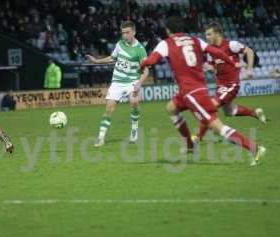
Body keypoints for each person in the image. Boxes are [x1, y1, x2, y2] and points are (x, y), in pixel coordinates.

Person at [140, 16, 265, 166]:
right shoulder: (196, 40)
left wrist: (141, 65)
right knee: (171, 108)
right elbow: (216, 52)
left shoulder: (165, 43)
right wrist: (232, 62)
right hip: (192, 89)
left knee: (216, 127)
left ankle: (255, 149)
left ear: (168, 30)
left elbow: (151, 61)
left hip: (192, 93)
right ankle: (190, 144)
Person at [195, 22, 266, 141]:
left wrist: (249, 68)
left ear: (217, 34)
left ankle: (197, 138)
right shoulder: (210, 51)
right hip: (221, 85)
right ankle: (254, 113)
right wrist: (210, 69)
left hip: (231, 85)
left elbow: (249, 51)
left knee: (209, 107)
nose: (206, 38)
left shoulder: (231, 45)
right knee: (230, 111)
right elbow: (213, 69)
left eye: (209, 34)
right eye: (206, 35)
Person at [86, 21, 149, 146]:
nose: (124, 35)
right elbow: (112, 58)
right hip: (117, 82)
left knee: (134, 102)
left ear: (134, 32)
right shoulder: (120, 43)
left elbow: (146, 71)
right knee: (109, 109)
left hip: (133, 81)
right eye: (123, 33)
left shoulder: (140, 50)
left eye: (127, 32)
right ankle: (100, 138)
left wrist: (139, 83)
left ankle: (134, 129)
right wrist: (97, 61)